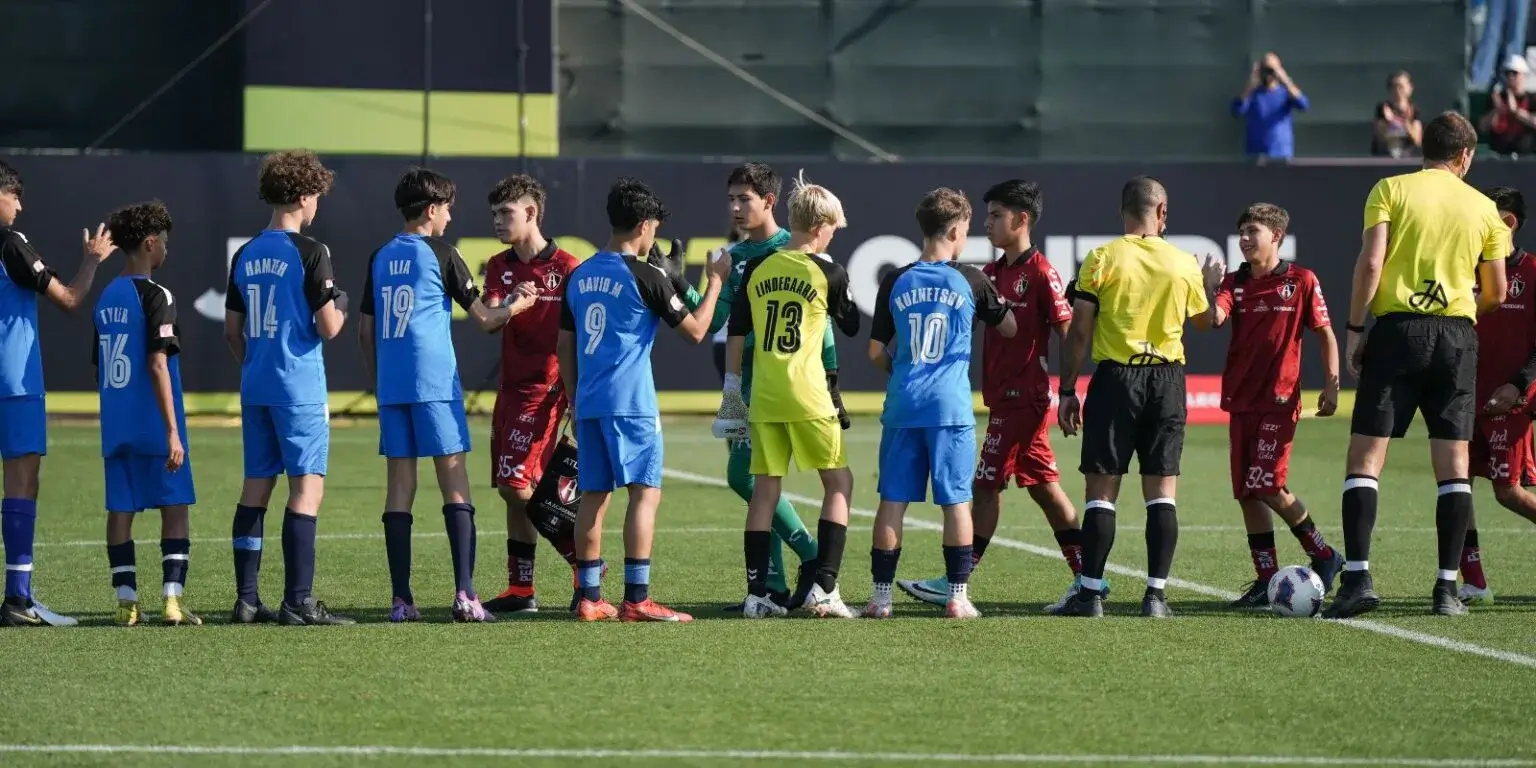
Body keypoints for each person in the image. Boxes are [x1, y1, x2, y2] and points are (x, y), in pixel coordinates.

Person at [1327, 112, 1511, 619]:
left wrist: (1356, 330)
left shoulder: (1390, 188)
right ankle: (1447, 590)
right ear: (1465, 155)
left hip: (1396, 332)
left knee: (1366, 461)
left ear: (1421, 148)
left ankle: (1359, 580)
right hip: (1455, 336)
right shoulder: (1484, 209)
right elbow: (1494, 292)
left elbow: (1370, 263)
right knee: (1453, 469)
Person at [899, 179, 1091, 613]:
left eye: (995, 216)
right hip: (1003, 397)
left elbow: (1068, 333)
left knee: (984, 487)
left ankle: (954, 581)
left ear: (1021, 220)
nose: (986, 224)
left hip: (1025, 399)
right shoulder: (990, 273)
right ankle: (1087, 577)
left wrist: (1067, 392)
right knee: (1045, 489)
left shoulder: (1042, 272)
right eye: (984, 216)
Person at [558, 177, 728, 622]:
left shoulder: (580, 274)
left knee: (592, 497)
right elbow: (696, 331)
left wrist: (575, 402)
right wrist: (713, 282)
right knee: (644, 494)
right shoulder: (645, 275)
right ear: (645, 224)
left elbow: (564, 347)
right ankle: (636, 598)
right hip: (632, 404)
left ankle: (591, 598)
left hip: (590, 402)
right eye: (654, 225)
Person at [1051, 176, 1218, 619]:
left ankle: (1090, 595)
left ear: (1122, 211)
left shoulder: (1101, 258)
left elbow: (1079, 330)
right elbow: (1205, 323)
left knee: (1101, 492)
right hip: (1167, 381)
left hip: (1115, 379)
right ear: (1161, 211)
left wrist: (1067, 389)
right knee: (1162, 493)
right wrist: (1212, 284)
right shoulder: (1183, 263)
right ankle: (1155, 597)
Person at [360, 168, 512, 623]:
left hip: (393, 389)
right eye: (446, 208)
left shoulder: (381, 255)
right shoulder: (443, 253)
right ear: (431, 210)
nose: (449, 216)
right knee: (454, 480)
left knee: (399, 488)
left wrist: (379, 381)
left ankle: (401, 601)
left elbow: (365, 330)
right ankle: (466, 595)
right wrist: (519, 304)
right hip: (434, 385)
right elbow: (486, 318)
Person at [865, 188, 1015, 620]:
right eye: (967, 229)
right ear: (954, 230)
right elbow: (1008, 327)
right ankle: (956, 596)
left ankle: (880, 598)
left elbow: (876, 351)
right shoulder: (971, 279)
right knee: (956, 503)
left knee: (893, 501)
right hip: (949, 409)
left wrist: (903, 373)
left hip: (903, 405)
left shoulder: (895, 279)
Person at [224, 150, 353, 626]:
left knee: (255, 487)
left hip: (255, 385)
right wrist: (338, 300)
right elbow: (329, 327)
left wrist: (257, 364)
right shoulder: (310, 251)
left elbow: (231, 332)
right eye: (316, 195)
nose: (318, 204)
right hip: (298, 387)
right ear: (303, 196)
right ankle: (298, 601)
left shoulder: (245, 252)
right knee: (306, 489)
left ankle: (246, 599)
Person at [725, 171, 861, 619]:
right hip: (808, 395)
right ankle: (825, 588)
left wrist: (732, 394)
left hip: (764, 395)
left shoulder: (759, 269)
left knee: (764, 489)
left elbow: (738, 332)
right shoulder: (829, 270)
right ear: (821, 226)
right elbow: (851, 325)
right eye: (834, 229)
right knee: (838, 483)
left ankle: (756, 593)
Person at [1209, 203, 1346, 609]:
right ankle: (1267, 580)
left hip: (1280, 400)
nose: (1245, 238)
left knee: (1268, 485)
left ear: (1277, 237)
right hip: (1240, 400)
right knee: (1248, 494)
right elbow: (1214, 319)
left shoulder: (1301, 280)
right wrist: (1207, 286)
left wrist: (1332, 382)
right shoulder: (1233, 282)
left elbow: (1324, 332)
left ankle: (1324, 555)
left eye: (1253, 231)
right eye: (1242, 232)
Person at [0, 159, 114, 627]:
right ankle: (18, 598)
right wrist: (91, 260)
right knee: (22, 480)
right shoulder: (11, 243)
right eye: (14, 194)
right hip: (14, 382)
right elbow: (68, 299)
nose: (20, 204)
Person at [476, 174, 581, 616]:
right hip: (510, 392)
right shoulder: (500, 265)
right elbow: (490, 318)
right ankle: (521, 591)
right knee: (509, 488)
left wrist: (576, 394)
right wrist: (513, 303)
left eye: (506, 213)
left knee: (519, 487)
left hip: (547, 391)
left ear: (532, 213)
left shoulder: (569, 267)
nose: (499, 221)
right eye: (495, 214)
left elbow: (579, 336)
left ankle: (586, 567)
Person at [92, 201, 198, 627]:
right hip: (154, 422)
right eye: (165, 244)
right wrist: (173, 431)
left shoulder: (105, 297)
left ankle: (126, 603)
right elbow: (157, 363)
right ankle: (172, 601)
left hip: (116, 423)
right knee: (175, 507)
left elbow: (99, 366)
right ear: (150, 243)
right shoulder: (157, 295)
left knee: (122, 511)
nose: (167, 251)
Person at [1460, 186, 1536, 606]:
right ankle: (1474, 582)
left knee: (1509, 492)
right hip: (1462, 398)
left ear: (1507, 223)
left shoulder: (1534, 273)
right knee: (1456, 484)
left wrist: (1519, 384)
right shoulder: (1466, 268)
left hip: (1511, 400)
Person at [1232, 52, 1309, 161]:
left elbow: (1303, 105)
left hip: (1281, 153)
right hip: (1255, 154)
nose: (1269, 74)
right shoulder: (1253, 94)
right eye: (1265, 70)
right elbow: (1237, 110)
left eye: (1271, 70)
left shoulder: (1286, 93)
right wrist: (1250, 85)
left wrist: (1285, 79)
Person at [1478, 56, 1536, 156]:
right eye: (1507, 73)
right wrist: (1496, 110)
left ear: (1523, 75)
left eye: (1514, 73)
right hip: (1499, 153)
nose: (1510, 77)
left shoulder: (1532, 98)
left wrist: (1516, 111)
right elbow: (1482, 127)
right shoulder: (1497, 99)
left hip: (1526, 155)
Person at [711, 224, 747, 382]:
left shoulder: (769, 252)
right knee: (736, 403)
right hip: (725, 341)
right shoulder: (722, 253)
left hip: (754, 343)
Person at [1372, 71, 1423, 158]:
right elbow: (1379, 137)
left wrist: (1406, 121)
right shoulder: (1383, 108)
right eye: (1394, 86)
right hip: (1384, 158)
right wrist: (1389, 122)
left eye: (1401, 86)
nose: (1397, 90)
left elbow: (1417, 140)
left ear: (1410, 88)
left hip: (1406, 159)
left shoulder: (1413, 110)